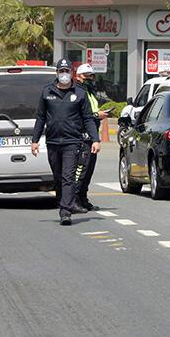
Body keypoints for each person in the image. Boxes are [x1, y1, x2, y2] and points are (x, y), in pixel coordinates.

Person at [31, 59, 100, 226]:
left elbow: (88, 118)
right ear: (57, 73)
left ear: (71, 73)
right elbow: (40, 117)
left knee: (68, 176)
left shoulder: (80, 93)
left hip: (72, 142)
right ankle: (63, 201)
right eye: (61, 71)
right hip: (53, 142)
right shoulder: (47, 92)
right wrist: (35, 140)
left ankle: (65, 211)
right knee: (59, 177)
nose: (64, 74)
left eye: (66, 71)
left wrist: (95, 140)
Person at [74, 63, 109, 212]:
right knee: (81, 170)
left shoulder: (89, 91)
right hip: (82, 136)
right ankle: (74, 200)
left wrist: (98, 115)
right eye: (86, 75)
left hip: (92, 134)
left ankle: (83, 199)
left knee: (89, 170)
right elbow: (80, 115)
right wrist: (96, 115)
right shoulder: (76, 92)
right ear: (78, 76)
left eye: (91, 75)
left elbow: (91, 113)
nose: (89, 78)